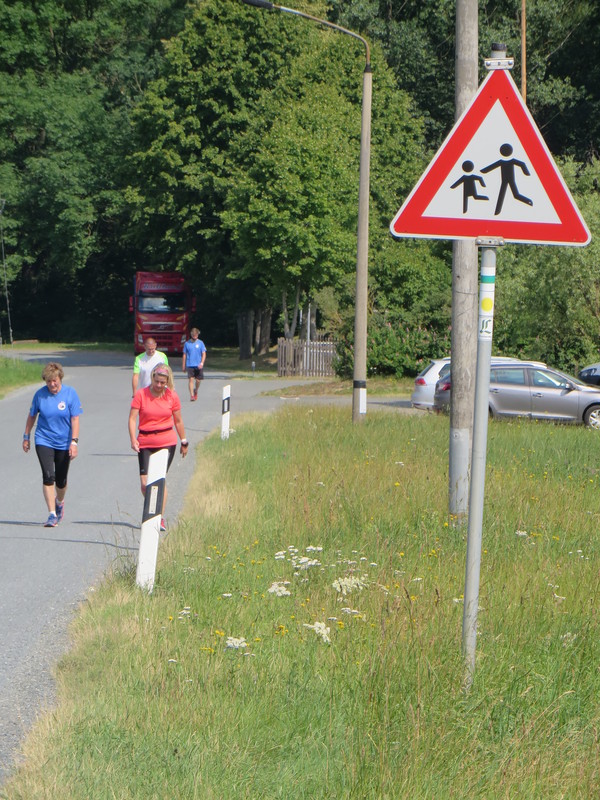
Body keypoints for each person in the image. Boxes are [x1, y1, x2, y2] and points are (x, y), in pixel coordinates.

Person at [129, 363, 188, 531]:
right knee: (145, 483)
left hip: (166, 441)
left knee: (159, 479)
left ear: (167, 381)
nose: (159, 385)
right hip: (145, 440)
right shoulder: (141, 395)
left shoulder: (171, 396)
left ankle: (158, 516)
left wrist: (184, 441)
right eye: (157, 381)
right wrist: (133, 439)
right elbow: (132, 418)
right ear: (152, 378)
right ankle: (152, 506)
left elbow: (178, 421)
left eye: (163, 382)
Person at [22, 362, 82, 527]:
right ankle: (52, 514)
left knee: (61, 481)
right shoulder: (40, 395)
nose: (52, 384)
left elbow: (75, 419)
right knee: (48, 476)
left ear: (60, 378)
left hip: (64, 442)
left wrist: (74, 442)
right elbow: (32, 416)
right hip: (44, 439)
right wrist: (26, 436)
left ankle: (59, 502)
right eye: (48, 381)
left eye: (54, 380)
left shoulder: (70, 393)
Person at [182, 327, 206, 401]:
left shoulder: (201, 343)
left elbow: (204, 353)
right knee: (191, 380)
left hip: (198, 365)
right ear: (191, 335)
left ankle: (196, 390)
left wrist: (202, 363)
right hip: (190, 364)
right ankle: (192, 395)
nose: (195, 336)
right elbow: (184, 354)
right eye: (193, 335)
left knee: (198, 380)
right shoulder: (187, 343)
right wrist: (183, 365)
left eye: (196, 335)